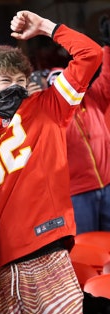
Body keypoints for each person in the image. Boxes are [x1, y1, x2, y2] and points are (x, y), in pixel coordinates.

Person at [0, 10, 103, 314]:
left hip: (46, 250)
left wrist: (46, 28)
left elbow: (90, 54)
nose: (16, 86)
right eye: (6, 80)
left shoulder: (48, 106)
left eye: (22, 80)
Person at [64, 15, 110, 234]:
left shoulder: (93, 99)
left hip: (108, 185)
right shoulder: (52, 116)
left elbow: (108, 77)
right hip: (78, 194)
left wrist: (108, 46)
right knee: (86, 250)